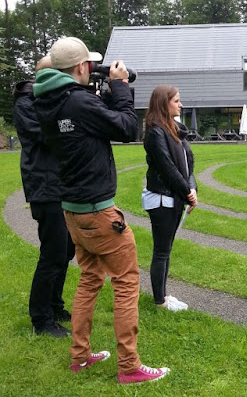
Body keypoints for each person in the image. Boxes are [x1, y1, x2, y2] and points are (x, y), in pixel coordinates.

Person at [33, 37, 169, 383]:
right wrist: (121, 86)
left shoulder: (48, 101)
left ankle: (80, 357)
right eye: (89, 66)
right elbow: (126, 128)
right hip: (98, 212)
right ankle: (130, 367)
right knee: (125, 283)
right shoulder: (78, 103)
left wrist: (105, 93)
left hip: (72, 212)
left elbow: (94, 118)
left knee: (90, 279)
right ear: (81, 68)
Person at [13, 56, 75, 338]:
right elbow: (48, 135)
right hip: (44, 185)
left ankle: (54, 303)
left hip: (62, 183)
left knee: (67, 249)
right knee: (53, 251)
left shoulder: (51, 103)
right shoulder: (26, 104)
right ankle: (41, 318)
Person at [142, 85, 197, 311]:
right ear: (164, 103)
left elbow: (187, 165)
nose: (180, 104)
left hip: (174, 197)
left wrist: (192, 188)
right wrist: (187, 192)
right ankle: (160, 301)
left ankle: (162, 295)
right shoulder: (156, 132)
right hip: (162, 199)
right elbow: (168, 168)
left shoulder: (174, 130)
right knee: (162, 251)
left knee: (166, 249)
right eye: (176, 101)